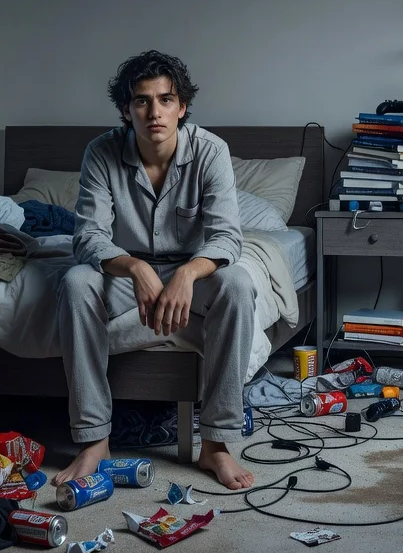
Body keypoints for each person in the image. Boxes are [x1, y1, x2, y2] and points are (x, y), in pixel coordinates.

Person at [51, 49, 258, 491]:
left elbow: (227, 238)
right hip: (125, 278)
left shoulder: (211, 151)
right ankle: (94, 440)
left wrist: (186, 274)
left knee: (238, 284)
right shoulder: (101, 152)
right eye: (142, 101)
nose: (154, 112)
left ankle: (217, 444)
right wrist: (135, 267)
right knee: (74, 281)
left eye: (165, 100)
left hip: (193, 276)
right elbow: (88, 236)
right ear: (127, 109)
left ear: (182, 107)